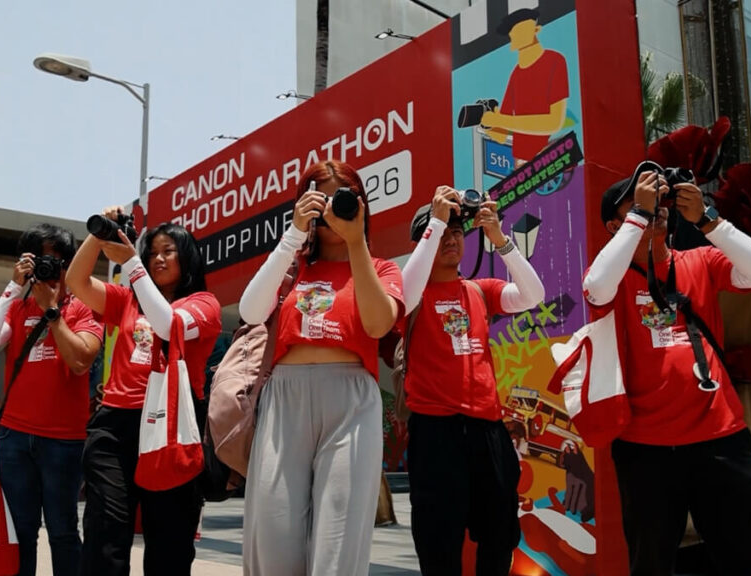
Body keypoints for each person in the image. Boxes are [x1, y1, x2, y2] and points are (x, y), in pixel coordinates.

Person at [583, 169, 751, 574]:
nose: (656, 208)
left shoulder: (700, 260)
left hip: (721, 438)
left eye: (658, 201)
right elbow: (595, 287)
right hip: (645, 448)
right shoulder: (614, 276)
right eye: (637, 202)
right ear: (615, 224)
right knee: (651, 563)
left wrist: (709, 221)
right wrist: (640, 212)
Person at [239, 160, 404, 576]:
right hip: (285, 396)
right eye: (321, 197)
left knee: (339, 542)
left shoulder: (381, 267)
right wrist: (294, 233)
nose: (331, 207)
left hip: (351, 402)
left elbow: (378, 323)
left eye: (342, 197)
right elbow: (250, 309)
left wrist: (355, 244)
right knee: (272, 537)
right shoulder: (293, 267)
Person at [401, 186, 545, 575]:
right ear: (425, 239)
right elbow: (404, 292)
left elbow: (534, 294)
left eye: (457, 233)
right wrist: (434, 222)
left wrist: (499, 238)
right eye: (442, 233)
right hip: (435, 433)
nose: (451, 240)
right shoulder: (409, 292)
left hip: (488, 432)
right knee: (438, 543)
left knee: (500, 536)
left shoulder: (480, 290)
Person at [66, 214, 221, 576]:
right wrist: (100, 233)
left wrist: (132, 262)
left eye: (169, 251)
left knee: (169, 542)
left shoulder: (204, 304)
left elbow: (167, 324)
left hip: (173, 428)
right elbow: (75, 281)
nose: (158, 259)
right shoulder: (126, 300)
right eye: (152, 253)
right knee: (105, 533)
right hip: (115, 425)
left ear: (189, 257)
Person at [0, 224, 103, 576]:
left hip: (63, 440)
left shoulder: (84, 308)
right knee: (21, 532)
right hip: (14, 437)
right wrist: (13, 287)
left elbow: (80, 362)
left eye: (57, 262)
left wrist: (53, 311)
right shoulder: (18, 306)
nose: (50, 269)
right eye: (42, 260)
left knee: (62, 532)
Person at [480, 8, 569, 164]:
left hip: (550, 157)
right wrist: (487, 123)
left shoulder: (555, 60)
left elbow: (554, 122)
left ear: (536, 30)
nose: (514, 34)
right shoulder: (516, 74)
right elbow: (501, 134)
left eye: (520, 29)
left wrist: (498, 120)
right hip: (521, 164)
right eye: (512, 31)